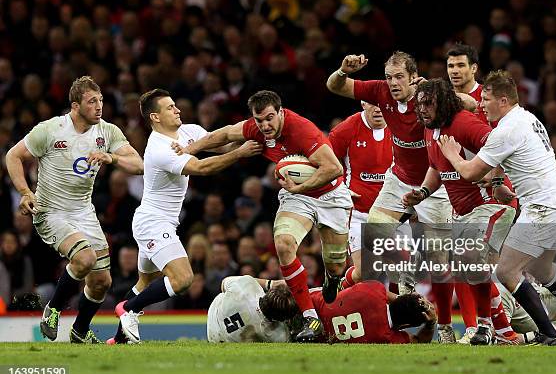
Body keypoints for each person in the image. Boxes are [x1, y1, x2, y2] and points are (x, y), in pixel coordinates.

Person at [437, 70, 556, 345]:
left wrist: (453, 155)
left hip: (542, 206)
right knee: (542, 270)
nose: (481, 104)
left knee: (506, 271)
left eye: (487, 99)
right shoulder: (527, 118)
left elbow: (470, 172)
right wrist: (499, 182)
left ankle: (549, 334)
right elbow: (506, 163)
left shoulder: (506, 130)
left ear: (503, 100)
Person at [174, 90, 352, 342]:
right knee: (283, 244)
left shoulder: (302, 130)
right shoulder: (255, 128)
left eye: (270, 118)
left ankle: (332, 279)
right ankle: (309, 316)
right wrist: (190, 149)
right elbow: (224, 134)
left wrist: (299, 186)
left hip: (330, 195)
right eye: (259, 120)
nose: (265, 125)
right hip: (297, 197)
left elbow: (333, 168)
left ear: (280, 112)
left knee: (336, 265)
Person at [326, 52, 473, 343]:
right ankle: (405, 272)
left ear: (412, 76)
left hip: (436, 183)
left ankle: (445, 327)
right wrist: (342, 71)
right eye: (389, 76)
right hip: (399, 179)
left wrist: (434, 89)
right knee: (376, 232)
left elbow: (470, 103)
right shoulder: (380, 91)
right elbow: (335, 86)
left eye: (399, 77)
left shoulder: (427, 95)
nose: (392, 83)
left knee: (441, 264)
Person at [110, 89, 262, 344]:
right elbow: (201, 167)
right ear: (155, 117)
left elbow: (221, 140)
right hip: (152, 222)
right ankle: (129, 310)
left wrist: (254, 131)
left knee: (145, 283)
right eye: (170, 108)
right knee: (182, 279)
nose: (177, 109)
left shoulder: (188, 130)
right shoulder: (158, 148)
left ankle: (119, 338)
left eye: (175, 105)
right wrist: (239, 153)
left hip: (161, 222)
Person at [5, 76, 144, 343]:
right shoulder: (51, 129)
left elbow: (137, 164)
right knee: (85, 259)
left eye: (101, 100)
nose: (99, 106)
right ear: (75, 106)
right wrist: (25, 192)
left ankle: (79, 331)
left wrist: (111, 157)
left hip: (83, 212)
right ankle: (52, 309)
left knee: (102, 281)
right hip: (50, 211)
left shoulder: (107, 132)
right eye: (92, 102)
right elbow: (13, 155)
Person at [402, 78, 518, 345]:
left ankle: (489, 328)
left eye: (428, 103)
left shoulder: (463, 122)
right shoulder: (430, 130)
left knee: (467, 256)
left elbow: (499, 146)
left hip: (491, 204)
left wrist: (498, 182)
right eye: (419, 104)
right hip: (464, 212)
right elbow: (436, 167)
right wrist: (422, 193)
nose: (422, 110)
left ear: (443, 103)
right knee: (463, 266)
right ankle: (506, 330)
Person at [328, 101, 394, 287]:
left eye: (383, 102)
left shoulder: (402, 126)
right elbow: (322, 160)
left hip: (393, 213)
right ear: (363, 103)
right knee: (367, 271)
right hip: (358, 213)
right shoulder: (346, 130)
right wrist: (339, 187)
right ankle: (341, 286)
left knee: (401, 271)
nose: (379, 108)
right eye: (373, 103)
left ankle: (393, 314)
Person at [310, 281, 436, 344]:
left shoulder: (375, 290)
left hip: (307, 304)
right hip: (312, 337)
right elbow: (418, 340)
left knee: (351, 277)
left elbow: (392, 297)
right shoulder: (385, 336)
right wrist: (430, 324)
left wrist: (413, 299)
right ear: (406, 326)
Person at [207, 275, 298, 343]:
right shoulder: (277, 335)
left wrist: (271, 284)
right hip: (226, 342)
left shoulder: (245, 286)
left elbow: (223, 284)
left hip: (212, 325)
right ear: (279, 319)